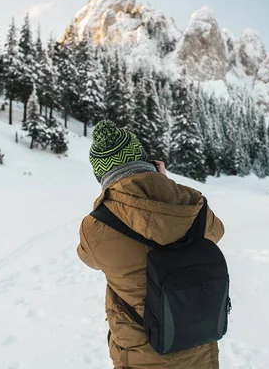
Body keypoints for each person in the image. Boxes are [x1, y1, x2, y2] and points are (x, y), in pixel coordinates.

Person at [77, 120, 225, 369]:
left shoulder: (95, 226)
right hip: (200, 351)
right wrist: (165, 184)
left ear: (101, 175)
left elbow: (88, 258)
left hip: (139, 357)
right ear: (145, 159)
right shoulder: (191, 202)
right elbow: (216, 232)